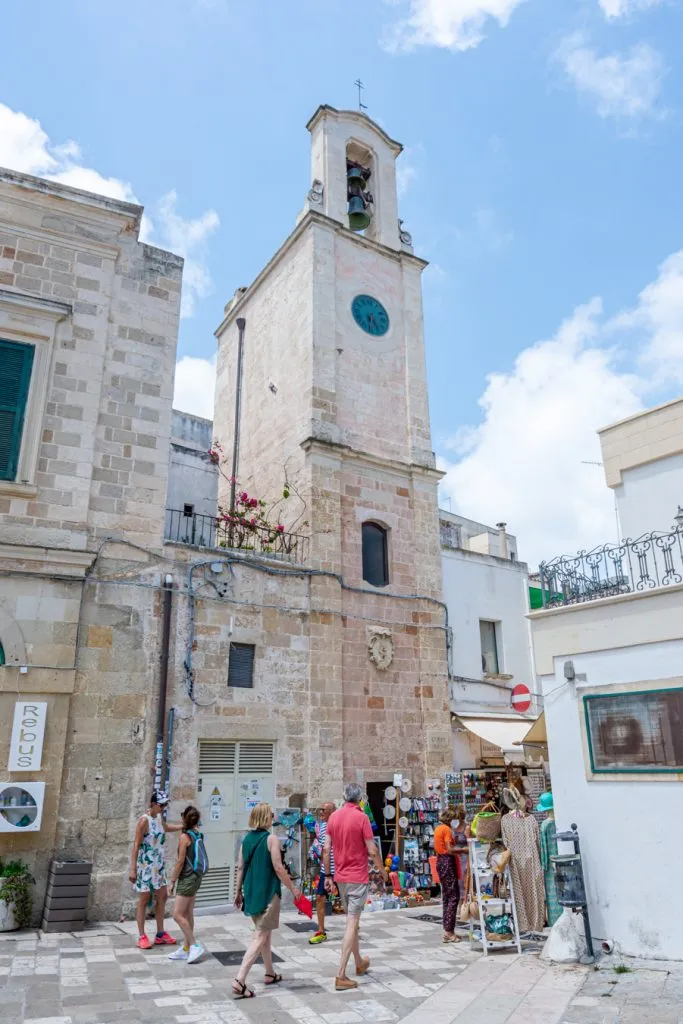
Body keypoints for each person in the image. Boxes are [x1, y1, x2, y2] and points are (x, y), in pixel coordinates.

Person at [232, 802, 302, 999]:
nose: (273, 817)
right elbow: (279, 868)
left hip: (252, 892)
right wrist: (293, 888)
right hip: (268, 892)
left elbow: (240, 868)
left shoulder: (246, 840)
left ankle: (269, 972)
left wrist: (238, 892)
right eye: (271, 814)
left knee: (264, 933)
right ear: (265, 817)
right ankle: (240, 979)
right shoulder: (271, 839)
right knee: (260, 936)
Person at [323, 783, 387, 992]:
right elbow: (372, 849)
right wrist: (382, 871)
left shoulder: (333, 817)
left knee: (354, 922)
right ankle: (340, 975)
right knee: (352, 923)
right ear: (360, 799)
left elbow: (326, 850)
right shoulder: (362, 818)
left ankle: (359, 962)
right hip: (357, 877)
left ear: (343, 797)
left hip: (340, 877)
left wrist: (328, 874)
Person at [128, 790, 183, 949]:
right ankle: (141, 935)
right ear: (153, 804)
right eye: (161, 805)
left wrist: (182, 826)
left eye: (165, 805)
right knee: (144, 900)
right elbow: (136, 845)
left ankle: (160, 933)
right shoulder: (143, 821)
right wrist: (133, 869)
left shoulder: (158, 817)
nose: (164, 807)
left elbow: (165, 828)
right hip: (146, 866)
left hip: (158, 866)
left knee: (163, 896)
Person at [168, 805, 205, 964]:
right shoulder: (197, 833)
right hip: (196, 877)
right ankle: (186, 949)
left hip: (187, 878)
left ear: (185, 819)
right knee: (188, 913)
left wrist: (172, 881)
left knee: (177, 914)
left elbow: (180, 861)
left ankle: (194, 945)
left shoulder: (185, 837)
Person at [309, 802, 336, 946]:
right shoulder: (320, 826)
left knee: (346, 899)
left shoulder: (338, 825)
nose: (321, 813)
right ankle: (321, 930)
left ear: (332, 811)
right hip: (325, 870)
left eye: (323, 810)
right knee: (319, 897)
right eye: (320, 810)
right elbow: (321, 848)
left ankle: (353, 927)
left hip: (339, 869)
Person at [434, 808, 461, 943]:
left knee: (447, 896)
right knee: (453, 896)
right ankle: (449, 931)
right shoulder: (447, 830)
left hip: (440, 861)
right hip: (447, 862)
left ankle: (447, 929)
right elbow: (450, 849)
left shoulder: (438, 828)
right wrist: (464, 850)